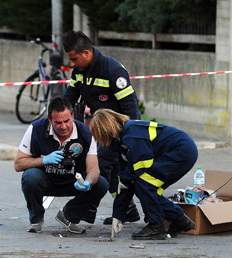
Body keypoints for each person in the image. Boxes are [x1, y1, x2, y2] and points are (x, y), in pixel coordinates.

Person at [63, 30, 141, 224]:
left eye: (74, 59)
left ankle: (87, 208)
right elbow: (69, 97)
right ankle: (128, 210)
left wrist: (132, 138)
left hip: (116, 129)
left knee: (100, 168)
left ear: (86, 54)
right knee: (113, 173)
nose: (72, 64)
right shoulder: (80, 72)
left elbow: (130, 107)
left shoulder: (113, 71)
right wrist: (57, 117)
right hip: (99, 129)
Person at [90, 108, 198, 240]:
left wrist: (125, 180)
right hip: (178, 151)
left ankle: (156, 227)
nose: (102, 142)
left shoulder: (131, 132)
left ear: (106, 130)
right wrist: (118, 215)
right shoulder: (122, 142)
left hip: (181, 151)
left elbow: (142, 164)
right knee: (147, 189)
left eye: (101, 137)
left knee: (144, 184)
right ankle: (179, 219)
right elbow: (126, 183)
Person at [14, 96, 108, 234]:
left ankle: (69, 216)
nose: (63, 127)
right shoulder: (36, 129)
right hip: (46, 180)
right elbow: (18, 164)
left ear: (73, 116)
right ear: (49, 120)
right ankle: (36, 219)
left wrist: (87, 182)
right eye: (57, 122)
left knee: (100, 183)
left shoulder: (86, 133)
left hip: (73, 181)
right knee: (30, 176)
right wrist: (44, 160)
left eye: (67, 121)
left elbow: (93, 169)